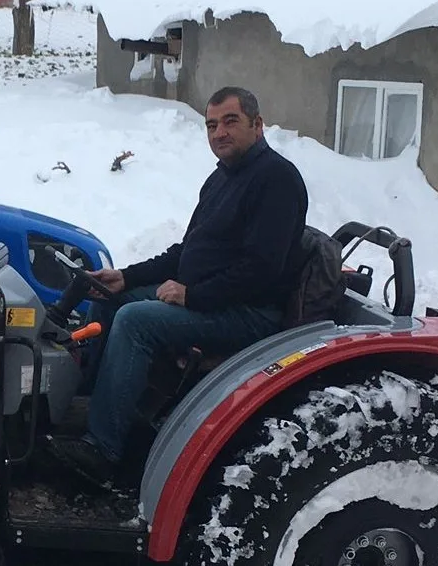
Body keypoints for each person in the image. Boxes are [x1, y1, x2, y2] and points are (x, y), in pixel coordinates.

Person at [49, 86, 309, 486]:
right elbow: (188, 251)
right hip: (215, 302)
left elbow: (262, 270)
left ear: (257, 126)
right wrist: (128, 277)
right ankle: (84, 405)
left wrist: (192, 295)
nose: (219, 133)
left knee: (137, 321)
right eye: (210, 125)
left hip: (249, 314)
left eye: (230, 121)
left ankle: (102, 449)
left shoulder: (277, 180)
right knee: (110, 300)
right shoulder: (222, 178)